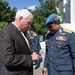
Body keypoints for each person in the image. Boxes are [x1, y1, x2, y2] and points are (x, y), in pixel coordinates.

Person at [0, 8, 40, 75]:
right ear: (20, 18)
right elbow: (8, 59)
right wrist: (30, 58)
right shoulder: (6, 32)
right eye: (28, 22)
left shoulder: (20, 32)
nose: (29, 26)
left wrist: (31, 53)